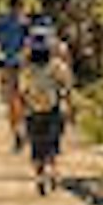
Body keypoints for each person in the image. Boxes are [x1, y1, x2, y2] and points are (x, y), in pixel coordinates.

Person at [20, 29, 74, 193]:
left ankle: (41, 175)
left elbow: (22, 91)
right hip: (53, 110)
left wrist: (23, 110)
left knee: (37, 146)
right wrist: (70, 108)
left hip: (33, 111)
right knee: (52, 144)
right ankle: (52, 171)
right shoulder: (57, 66)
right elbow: (66, 87)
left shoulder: (27, 69)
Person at [0, 0, 31, 142]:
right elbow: (28, 45)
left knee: (12, 100)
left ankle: (16, 131)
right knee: (22, 99)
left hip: (8, 64)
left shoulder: (2, 23)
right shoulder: (25, 24)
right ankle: (21, 129)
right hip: (22, 65)